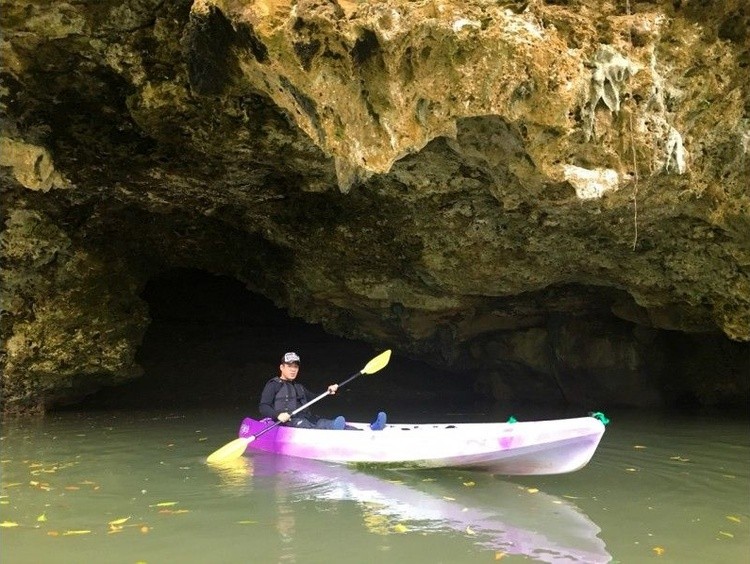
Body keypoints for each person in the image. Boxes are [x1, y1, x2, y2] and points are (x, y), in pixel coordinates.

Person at [259, 352, 387, 431]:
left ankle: (370, 428)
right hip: (288, 423)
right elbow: (263, 406)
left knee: (323, 422)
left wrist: (329, 391)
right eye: (289, 366)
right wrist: (278, 415)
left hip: (307, 419)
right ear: (282, 367)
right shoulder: (273, 385)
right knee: (309, 424)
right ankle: (334, 428)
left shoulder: (299, 387)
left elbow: (315, 397)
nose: (293, 370)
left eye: (295, 367)